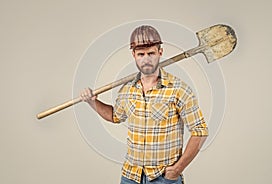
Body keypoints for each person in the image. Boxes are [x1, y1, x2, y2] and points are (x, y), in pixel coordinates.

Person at [80, 25, 208, 184]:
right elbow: (114, 116)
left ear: (160, 52)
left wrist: (177, 169)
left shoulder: (178, 89)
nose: (146, 59)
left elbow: (200, 131)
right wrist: (92, 102)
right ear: (133, 55)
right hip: (130, 177)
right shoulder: (126, 90)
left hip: (163, 178)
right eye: (141, 54)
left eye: (151, 53)